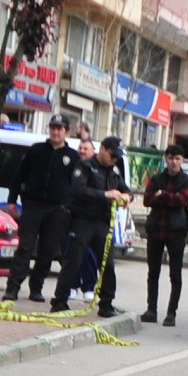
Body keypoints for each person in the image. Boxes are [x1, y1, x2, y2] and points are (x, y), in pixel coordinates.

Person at [1, 118, 81, 305]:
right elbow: (19, 175)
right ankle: (12, 287)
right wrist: (12, 200)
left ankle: (36, 288)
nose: (55, 132)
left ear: (66, 132)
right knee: (25, 247)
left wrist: (68, 207)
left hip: (57, 210)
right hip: (33, 206)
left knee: (47, 251)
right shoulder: (36, 150)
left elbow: (77, 186)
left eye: (60, 129)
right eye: (53, 128)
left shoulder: (73, 156)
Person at [66, 135, 129, 315]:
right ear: (102, 149)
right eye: (112, 155)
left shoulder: (114, 170)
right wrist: (105, 195)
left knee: (107, 264)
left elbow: (125, 189)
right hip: (83, 220)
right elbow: (79, 190)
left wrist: (126, 197)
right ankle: (60, 300)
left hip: (102, 223)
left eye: (117, 156)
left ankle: (106, 304)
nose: (115, 159)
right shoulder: (85, 166)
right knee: (74, 261)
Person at [141, 144, 188, 327]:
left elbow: (182, 200)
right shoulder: (157, 178)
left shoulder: (187, 180)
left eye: (177, 158)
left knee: (175, 274)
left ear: (183, 160)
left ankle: (171, 313)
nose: (173, 162)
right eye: (171, 158)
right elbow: (147, 200)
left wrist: (162, 195)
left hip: (176, 232)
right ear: (166, 158)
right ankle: (151, 310)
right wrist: (166, 196)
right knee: (153, 273)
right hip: (156, 230)